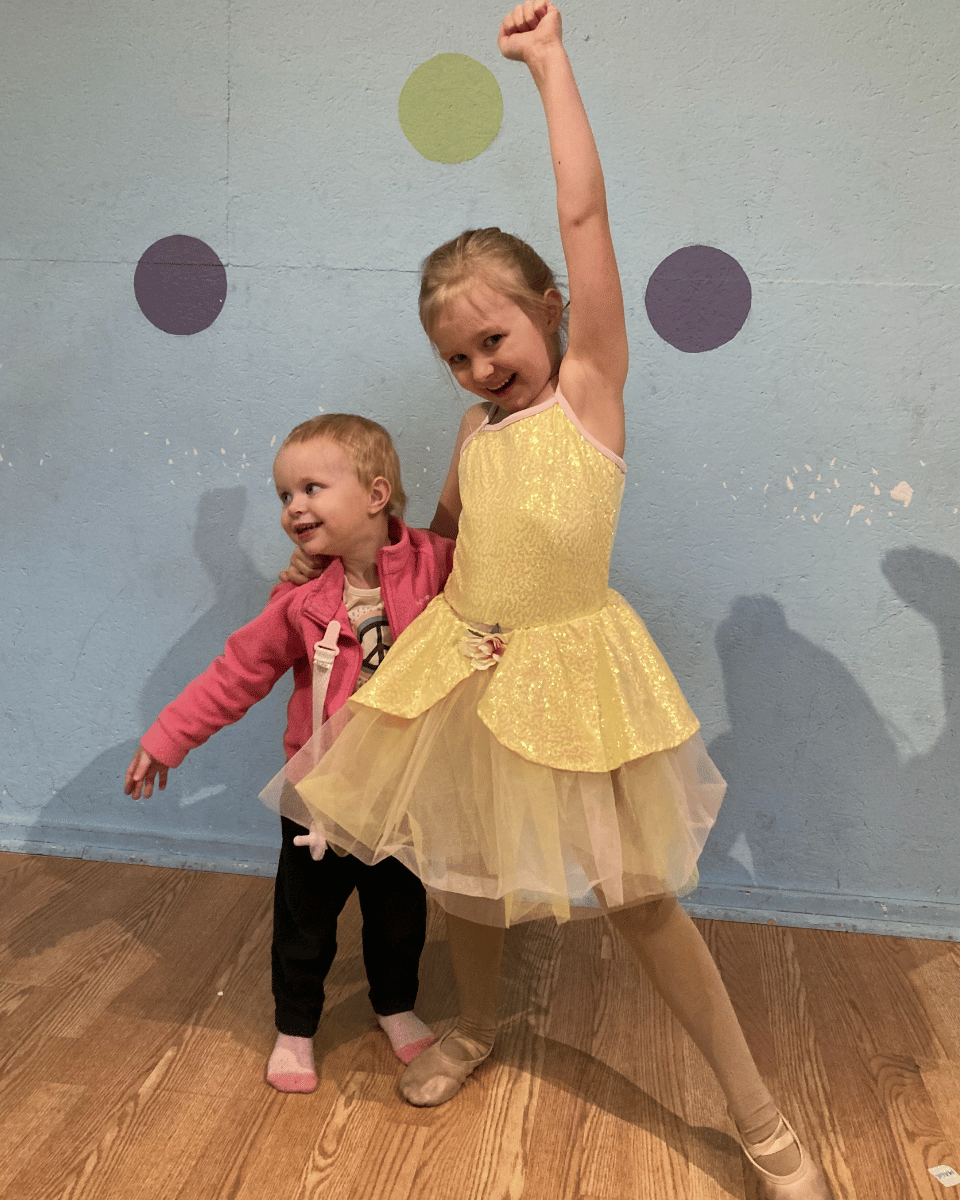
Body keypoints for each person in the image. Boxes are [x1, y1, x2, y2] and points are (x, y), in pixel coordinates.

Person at [287, 5, 832, 1195]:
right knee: (467, 872)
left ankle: (758, 1113)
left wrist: (549, 65)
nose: (482, 369)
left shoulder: (590, 388)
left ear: (547, 307)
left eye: (495, 338)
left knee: (641, 899)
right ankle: (478, 1024)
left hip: (576, 668)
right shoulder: (473, 435)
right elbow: (436, 544)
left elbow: (585, 213)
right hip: (466, 668)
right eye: (459, 359)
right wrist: (348, 570)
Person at [125, 414, 454, 1094]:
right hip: (318, 795)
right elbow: (236, 672)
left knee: (400, 915)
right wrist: (167, 738)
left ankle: (394, 1004)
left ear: (375, 493)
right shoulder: (303, 601)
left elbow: (491, 606)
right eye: (283, 496)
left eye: (310, 488)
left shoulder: (439, 565)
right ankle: (296, 1026)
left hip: (402, 792)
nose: (294, 506)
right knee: (305, 921)